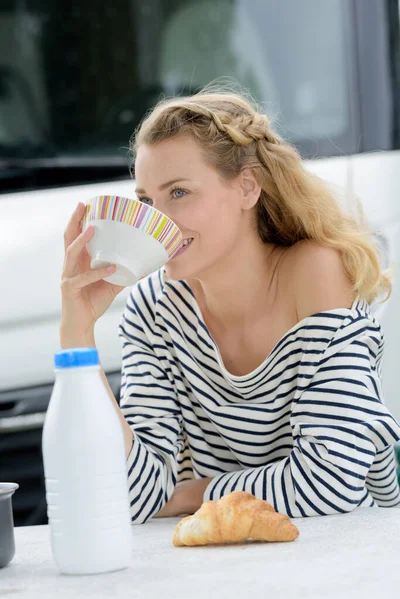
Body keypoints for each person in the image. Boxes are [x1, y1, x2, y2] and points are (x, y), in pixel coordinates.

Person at [61, 85, 400, 525]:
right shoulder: (153, 311)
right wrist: (78, 330)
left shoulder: (315, 273)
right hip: (234, 562)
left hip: (354, 552)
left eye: (179, 193)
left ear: (246, 188)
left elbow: (330, 483)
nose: (156, 220)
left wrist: (192, 495)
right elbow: (134, 496)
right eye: (146, 200)